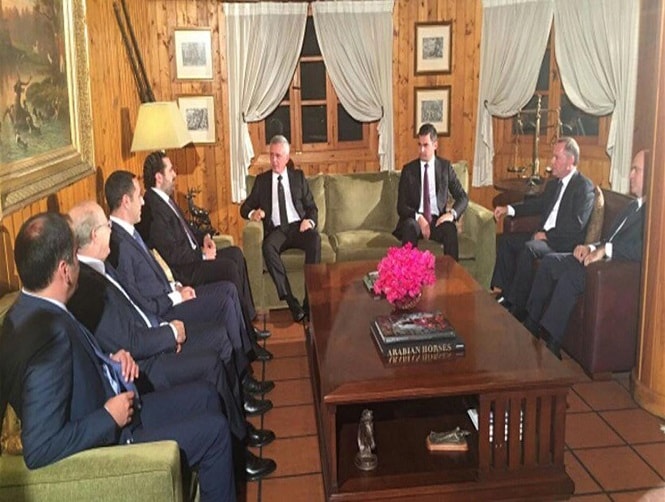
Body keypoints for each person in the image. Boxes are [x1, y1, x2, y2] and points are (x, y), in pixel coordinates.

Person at [0, 212, 235, 501]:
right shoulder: (47, 339)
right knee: (215, 433)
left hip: (121, 399)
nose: (79, 263)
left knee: (206, 395)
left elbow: (73, 373)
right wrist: (108, 417)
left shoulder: (28, 311)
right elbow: (40, 447)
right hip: (117, 437)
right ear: (64, 270)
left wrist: (111, 360)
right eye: (75, 256)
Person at [66, 201, 277, 481]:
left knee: (216, 343)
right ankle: (237, 451)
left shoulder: (100, 267)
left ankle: (237, 434)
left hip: (155, 332)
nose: (111, 231)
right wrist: (168, 335)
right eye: (106, 226)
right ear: (94, 235)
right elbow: (128, 340)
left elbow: (136, 307)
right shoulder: (87, 285)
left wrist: (165, 327)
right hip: (144, 366)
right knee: (212, 359)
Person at [105, 171, 272, 367]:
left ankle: (247, 342)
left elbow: (158, 270)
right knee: (225, 298)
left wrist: (176, 286)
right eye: (138, 196)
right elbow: (139, 302)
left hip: (172, 290)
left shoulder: (130, 232)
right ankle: (243, 368)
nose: (142, 202)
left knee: (229, 286)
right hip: (166, 310)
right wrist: (177, 295)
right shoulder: (119, 245)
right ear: (126, 201)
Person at [523, 150, 648, 358]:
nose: (631, 175)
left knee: (570, 277)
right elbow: (608, 239)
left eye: (637, 170)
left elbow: (641, 250)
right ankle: (531, 323)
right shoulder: (631, 206)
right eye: (632, 169)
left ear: (652, 175)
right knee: (549, 262)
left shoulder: (653, 215)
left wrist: (604, 251)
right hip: (596, 258)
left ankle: (552, 343)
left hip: (611, 271)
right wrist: (590, 247)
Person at [137, 152, 269, 344]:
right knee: (229, 268)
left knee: (235, 253)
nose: (175, 174)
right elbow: (172, 254)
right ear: (159, 177)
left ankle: (248, 323)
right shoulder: (152, 209)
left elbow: (187, 229)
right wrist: (203, 255)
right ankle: (245, 337)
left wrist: (205, 237)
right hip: (185, 271)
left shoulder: (166, 199)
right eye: (171, 170)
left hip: (193, 259)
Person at [491, 137, 595, 319]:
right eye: (552, 157)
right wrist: (509, 209)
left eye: (556, 158)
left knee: (529, 248)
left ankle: (517, 308)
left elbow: (576, 225)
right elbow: (536, 205)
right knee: (505, 241)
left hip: (561, 243)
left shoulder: (583, 187)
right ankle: (506, 295)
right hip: (542, 237)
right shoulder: (553, 184)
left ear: (570, 161)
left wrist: (547, 236)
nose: (551, 162)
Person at [240, 135, 321, 322]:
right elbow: (244, 208)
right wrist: (253, 213)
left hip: (298, 227)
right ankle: (291, 302)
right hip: (277, 230)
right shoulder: (262, 181)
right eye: (272, 155)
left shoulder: (298, 178)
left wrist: (309, 221)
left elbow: (312, 208)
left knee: (315, 239)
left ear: (286, 157)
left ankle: (309, 301)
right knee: (268, 247)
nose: (274, 160)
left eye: (278, 156)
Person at [393, 123, 468, 261]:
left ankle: (451, 271)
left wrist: (451, 215)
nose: (421, 150)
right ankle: (409, 272)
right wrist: (419, 218)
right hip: (415, 221)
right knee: (409, 226)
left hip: (437, 221)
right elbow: (401, 206)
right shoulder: (409, 170)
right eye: (419, 145)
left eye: (426, 145)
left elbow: (462, 197)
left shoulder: (445, 168)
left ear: (435, 145)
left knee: (450, 229)